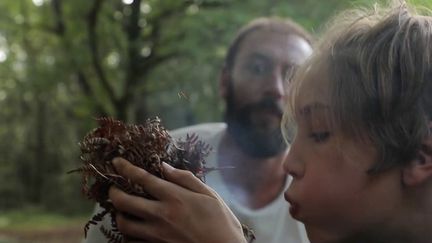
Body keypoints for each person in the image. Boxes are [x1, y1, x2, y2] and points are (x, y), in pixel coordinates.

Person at [108, 1, 432, 242]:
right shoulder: (168, 157)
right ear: (224, 81)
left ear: (420, 158)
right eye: (257, 68)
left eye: (319, 133)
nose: (289, 163)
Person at [84, 17, 313, 243]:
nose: (276, 88)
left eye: (294, 76)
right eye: (257, 68)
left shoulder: (322, 196)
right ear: (224, 82)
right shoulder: (159, 161)